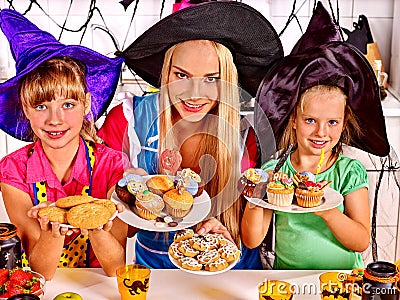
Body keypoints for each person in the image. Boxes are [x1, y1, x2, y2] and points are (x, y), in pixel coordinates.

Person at [98, 1, 283, 269]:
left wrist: (224, 236)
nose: (195, 94)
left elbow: (252, 233)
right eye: (182, 75)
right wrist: (130, 196)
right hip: (157, 275)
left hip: (232, 276)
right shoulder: (129, 121)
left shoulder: (245, 136)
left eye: (211, 79)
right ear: (166, 72)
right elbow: (117, 229)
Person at [241, 2, 390, 270]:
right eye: (310, 120)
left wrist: (326, 210)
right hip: (286, 280)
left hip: (341, 279)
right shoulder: (275, 171)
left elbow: (360, 241)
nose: (321, 132)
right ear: (294, 121)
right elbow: (252, 241)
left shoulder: (349, 171)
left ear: (344, 124)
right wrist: (256, 199)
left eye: (332, 122)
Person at [0, 9, 128, 279]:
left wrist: (96, 224)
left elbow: (116, 268)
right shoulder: (12, 170)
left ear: (86, 105)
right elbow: (40, 273)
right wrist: (51, 232)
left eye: (68, 104)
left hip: (98, 288)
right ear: (25, 109)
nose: (55, 120)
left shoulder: (112, 164)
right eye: (41, 106)